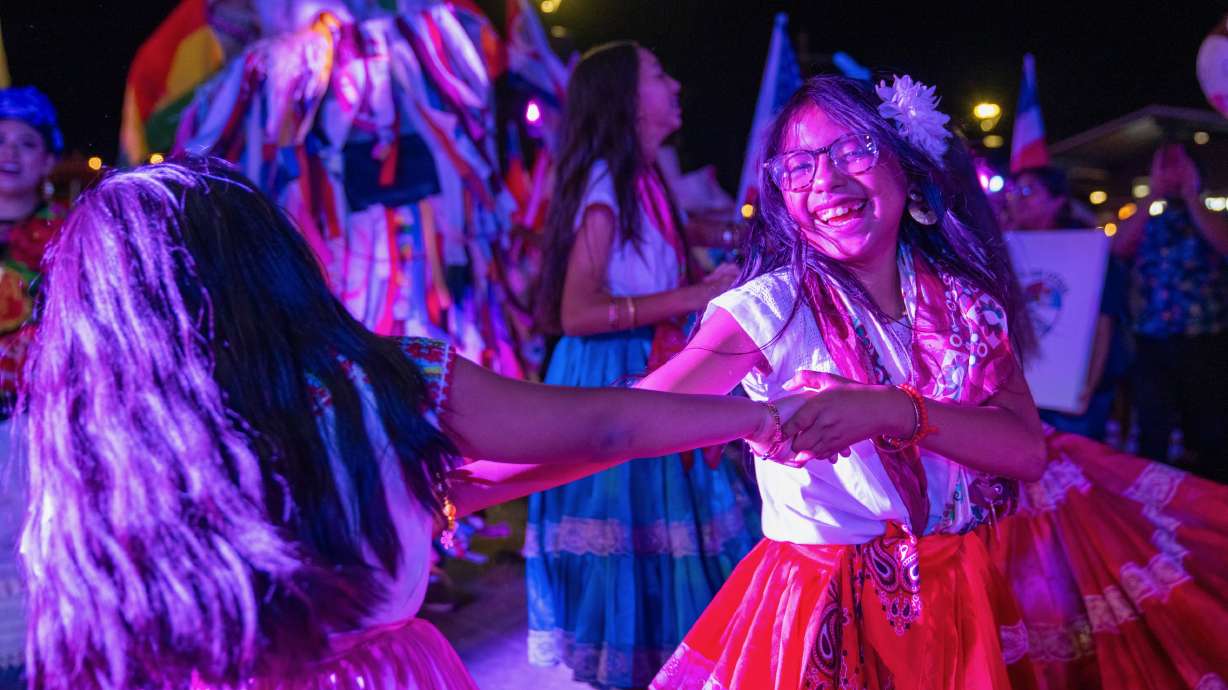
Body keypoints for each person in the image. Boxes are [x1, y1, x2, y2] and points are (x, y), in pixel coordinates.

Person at [19, 158, 819, 690]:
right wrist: (759, 415)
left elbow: (453, 488)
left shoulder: (97, 450)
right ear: (267, 263)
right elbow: (600, 428)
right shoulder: (374, 379)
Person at [631, 75, 1228, 689]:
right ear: (782, 195)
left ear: (908, 170)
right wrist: (749, 421)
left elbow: (1025, 451)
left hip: (956, 591)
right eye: (799, 166)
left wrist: (896, 411)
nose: (827, 182)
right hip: (820, 603)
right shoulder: (768, 308)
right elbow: (633, 417)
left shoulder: (965, 303)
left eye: (853, 150)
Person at [525, 42, 758, 689]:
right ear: (627, 99)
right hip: (612, 372)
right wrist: (690, 296)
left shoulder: (647, 176)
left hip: (648, 362)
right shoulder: (606, 184)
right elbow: (575, 311)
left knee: (672, 539)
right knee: (639, 545)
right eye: (660, 74)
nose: (676, 83)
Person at [1112, 142, 1228, 482]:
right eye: (1164, 165)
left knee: (1210, 429)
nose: (1171, 172)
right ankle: (1154, 500)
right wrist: (1152, 194)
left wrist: (1192, 196)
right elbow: (1118, 247)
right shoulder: (1150, 220)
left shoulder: (1213, 217)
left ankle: (1212, 507)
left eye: (1179, 165)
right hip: (1151, 341)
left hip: (1206, 340)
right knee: (1153, 427)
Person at [0, 84, 65, 690]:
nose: (8, 153)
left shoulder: (68, 241)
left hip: (36, 428)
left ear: (49, 160)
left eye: (26, 142)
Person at [1007, 165, 1132, 441]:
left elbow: (1103, 323)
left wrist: (1088, 384)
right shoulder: (1005, 249)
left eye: (1029, 191)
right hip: (1020, 391)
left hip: (1072, 393)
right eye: (1015, 191)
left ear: (1058, 201)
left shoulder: (1089, 251)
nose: (1017, 198)